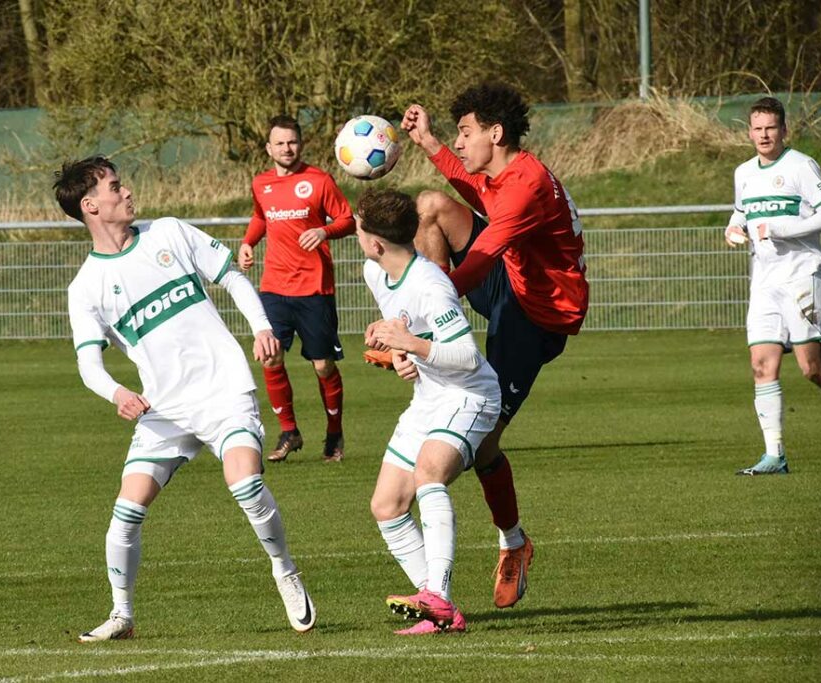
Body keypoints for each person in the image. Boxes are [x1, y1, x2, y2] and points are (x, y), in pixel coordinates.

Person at [53, 156, 316, 642]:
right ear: (90, 205)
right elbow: (88, 364)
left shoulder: (169, 232)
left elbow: (232, 276)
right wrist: (118, 393)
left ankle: (284, 569)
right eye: (115, 186)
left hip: (223, 391)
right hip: (164, 409)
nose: (127, 191)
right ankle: (121, 615)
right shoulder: (85, 288)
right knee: (126, 513)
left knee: (245, 484)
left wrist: (261, 327)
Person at [392, 81, 588, 610]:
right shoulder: (503, 174)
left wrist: (423, 308)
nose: (459, 143)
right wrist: (428, 140)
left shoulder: (525, 187)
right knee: (430, 206)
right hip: (514, 280)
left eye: (465, 132)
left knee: (481, 444)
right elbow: (468, 190)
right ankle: (432, 339)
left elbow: (480, 257)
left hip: (537, 318)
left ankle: (514, 542)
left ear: (494, 134)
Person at [358, 188, 501, 635]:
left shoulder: (431, 285)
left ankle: (436, 596)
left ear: (376, 242)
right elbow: (405, 332)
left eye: (359, 229)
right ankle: (439, 610)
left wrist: (411, 345)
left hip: (468, 396)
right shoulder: (375, 271)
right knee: (386, 505)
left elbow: (466, 356)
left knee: (428, 474)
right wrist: (400, 354)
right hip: (429, 397)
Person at [238, 115, 355, 463]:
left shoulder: (319, 181)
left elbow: (347, 219)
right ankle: (289, 431)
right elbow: (261, 216)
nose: (286, 148)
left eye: (292, 142)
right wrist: (248, 243)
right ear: (268, 148)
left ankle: (334, 434)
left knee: (322, 366)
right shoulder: (261, 183)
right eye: (280, 143)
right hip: (274, 286)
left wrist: (324, 231)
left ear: (300, 144)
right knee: (269, 355)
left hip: (314, 288)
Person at [724, 96, 821, 475]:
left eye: (771, 128)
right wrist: (733, 227)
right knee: (761, 364)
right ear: (749, 132)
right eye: (758, 128)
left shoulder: (801, 166)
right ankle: (774, 455)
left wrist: (782, 228)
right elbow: (741, 212)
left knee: (812, 369)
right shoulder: (744, 172)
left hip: (802, 275)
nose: (764, 135)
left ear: (784, 130)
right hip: (764, 281)